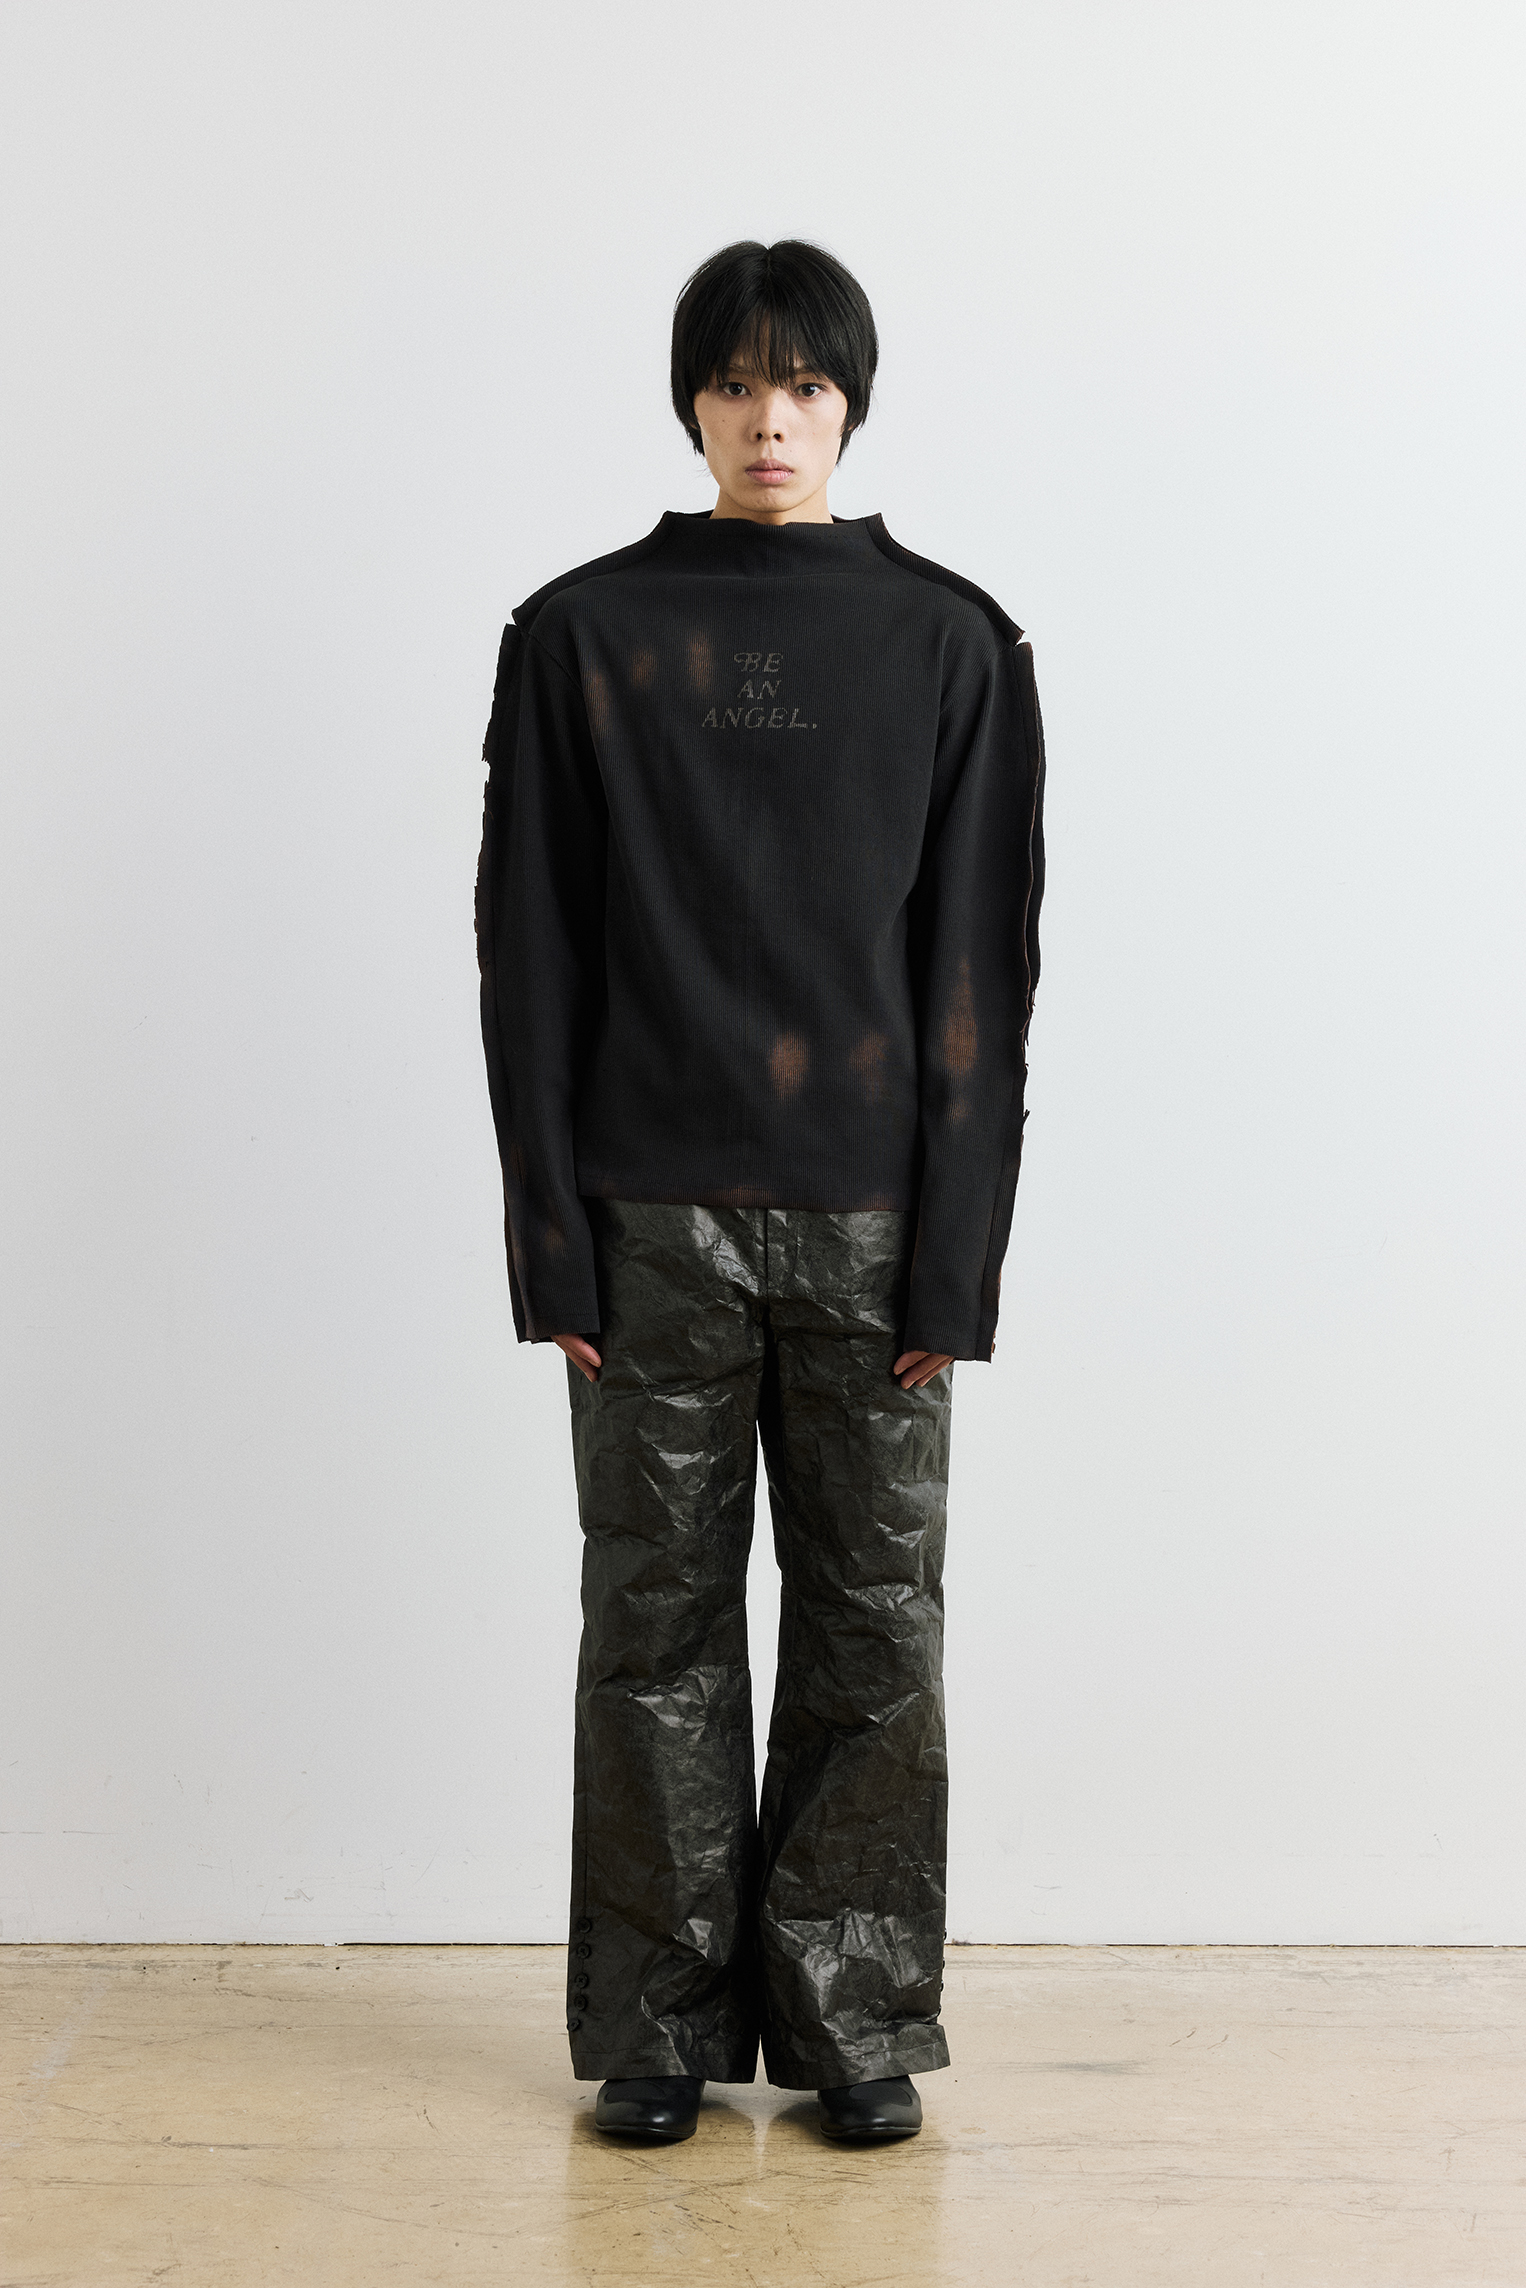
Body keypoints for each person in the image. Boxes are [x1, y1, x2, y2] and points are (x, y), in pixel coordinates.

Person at [475, 239, 1046, 2147]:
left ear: (849, 403)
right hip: (646, 1215)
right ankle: (654, 2028)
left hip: (872, 1220)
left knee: (875, 1628)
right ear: (692, 406)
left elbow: (978, 980)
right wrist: (547, 1241)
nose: (768, 418)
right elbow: (531, 956)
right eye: (734, 384)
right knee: (652, 1626)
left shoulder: (953, 645)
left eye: (801, 385)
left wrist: (954, 1267)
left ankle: (851, 2020)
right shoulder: (581, 635)